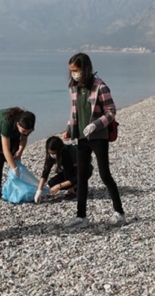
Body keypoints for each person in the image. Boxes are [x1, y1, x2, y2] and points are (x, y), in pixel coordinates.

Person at [62, 53, 125, 228]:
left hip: (98, 137)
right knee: (81, 177)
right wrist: (69, 129)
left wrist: (95, 125)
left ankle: (119, 212)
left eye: (76, 70)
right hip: (81, 137)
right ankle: (81, 217)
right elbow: (74, 112)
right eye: (71, 71)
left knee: (105, 175)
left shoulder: (100, 86)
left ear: (85, 68)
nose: (74, 74)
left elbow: (111, 112)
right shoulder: (74, 88)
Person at [0, 107, 36, 200]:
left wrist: (19, 152)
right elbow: (6, 150)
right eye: (24, 131)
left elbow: (24, 138)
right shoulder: (7, 124)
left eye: (29, 131)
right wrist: (14, 168)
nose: (26, 133)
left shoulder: (27, 124)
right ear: (18, 124)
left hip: (13, 130)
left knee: (14, 156)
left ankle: (16, 185)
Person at [36, 136, 81, 202]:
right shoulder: (51, 155)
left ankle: (74, 188)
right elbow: (45, 172)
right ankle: (72, 186)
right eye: (50, 153)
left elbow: (77, 176)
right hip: (67, 171)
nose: (52, 155)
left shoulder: (70, 153)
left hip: (82, 171)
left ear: (59, 150)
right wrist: (39, 190)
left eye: (53, 153)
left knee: (73, 177)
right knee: (52, 183)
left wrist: (59, 186)